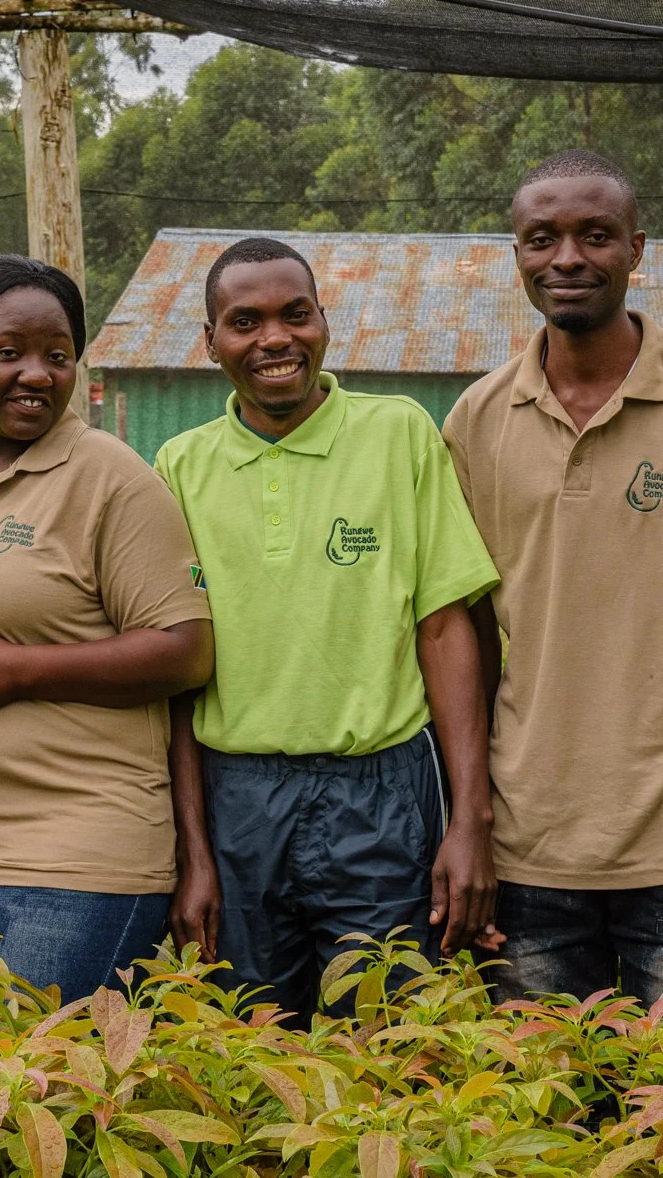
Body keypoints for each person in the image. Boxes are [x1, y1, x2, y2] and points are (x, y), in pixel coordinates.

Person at [441, 149, 663, 1021]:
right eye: (543, 238)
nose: (568, 256)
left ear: (638, 248)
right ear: (517, 255)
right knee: (539, 1135)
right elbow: (463, 636)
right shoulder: (477, 418)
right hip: (528, 857)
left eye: (595, 234)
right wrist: (469, 821)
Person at [155, 237, 502, 1020]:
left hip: (380, 794)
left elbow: (446, 630)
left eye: (295, 314)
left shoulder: (399, 435)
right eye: (244, 322)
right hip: (235, 796)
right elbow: (174, 674)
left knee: (386, 1039)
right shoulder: (178, 467)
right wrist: (193, 851)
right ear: (210, 343)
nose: (274, 338)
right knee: (246, 1043)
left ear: (324, 324)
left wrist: (471, 816)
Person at [0, 255, 214, 994]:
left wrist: (13, 669)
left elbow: (185, 650)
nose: (37, 374)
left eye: (57, 356)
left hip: (74, 852)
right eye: (9, 353)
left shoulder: (110, 478)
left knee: (12, 1086)